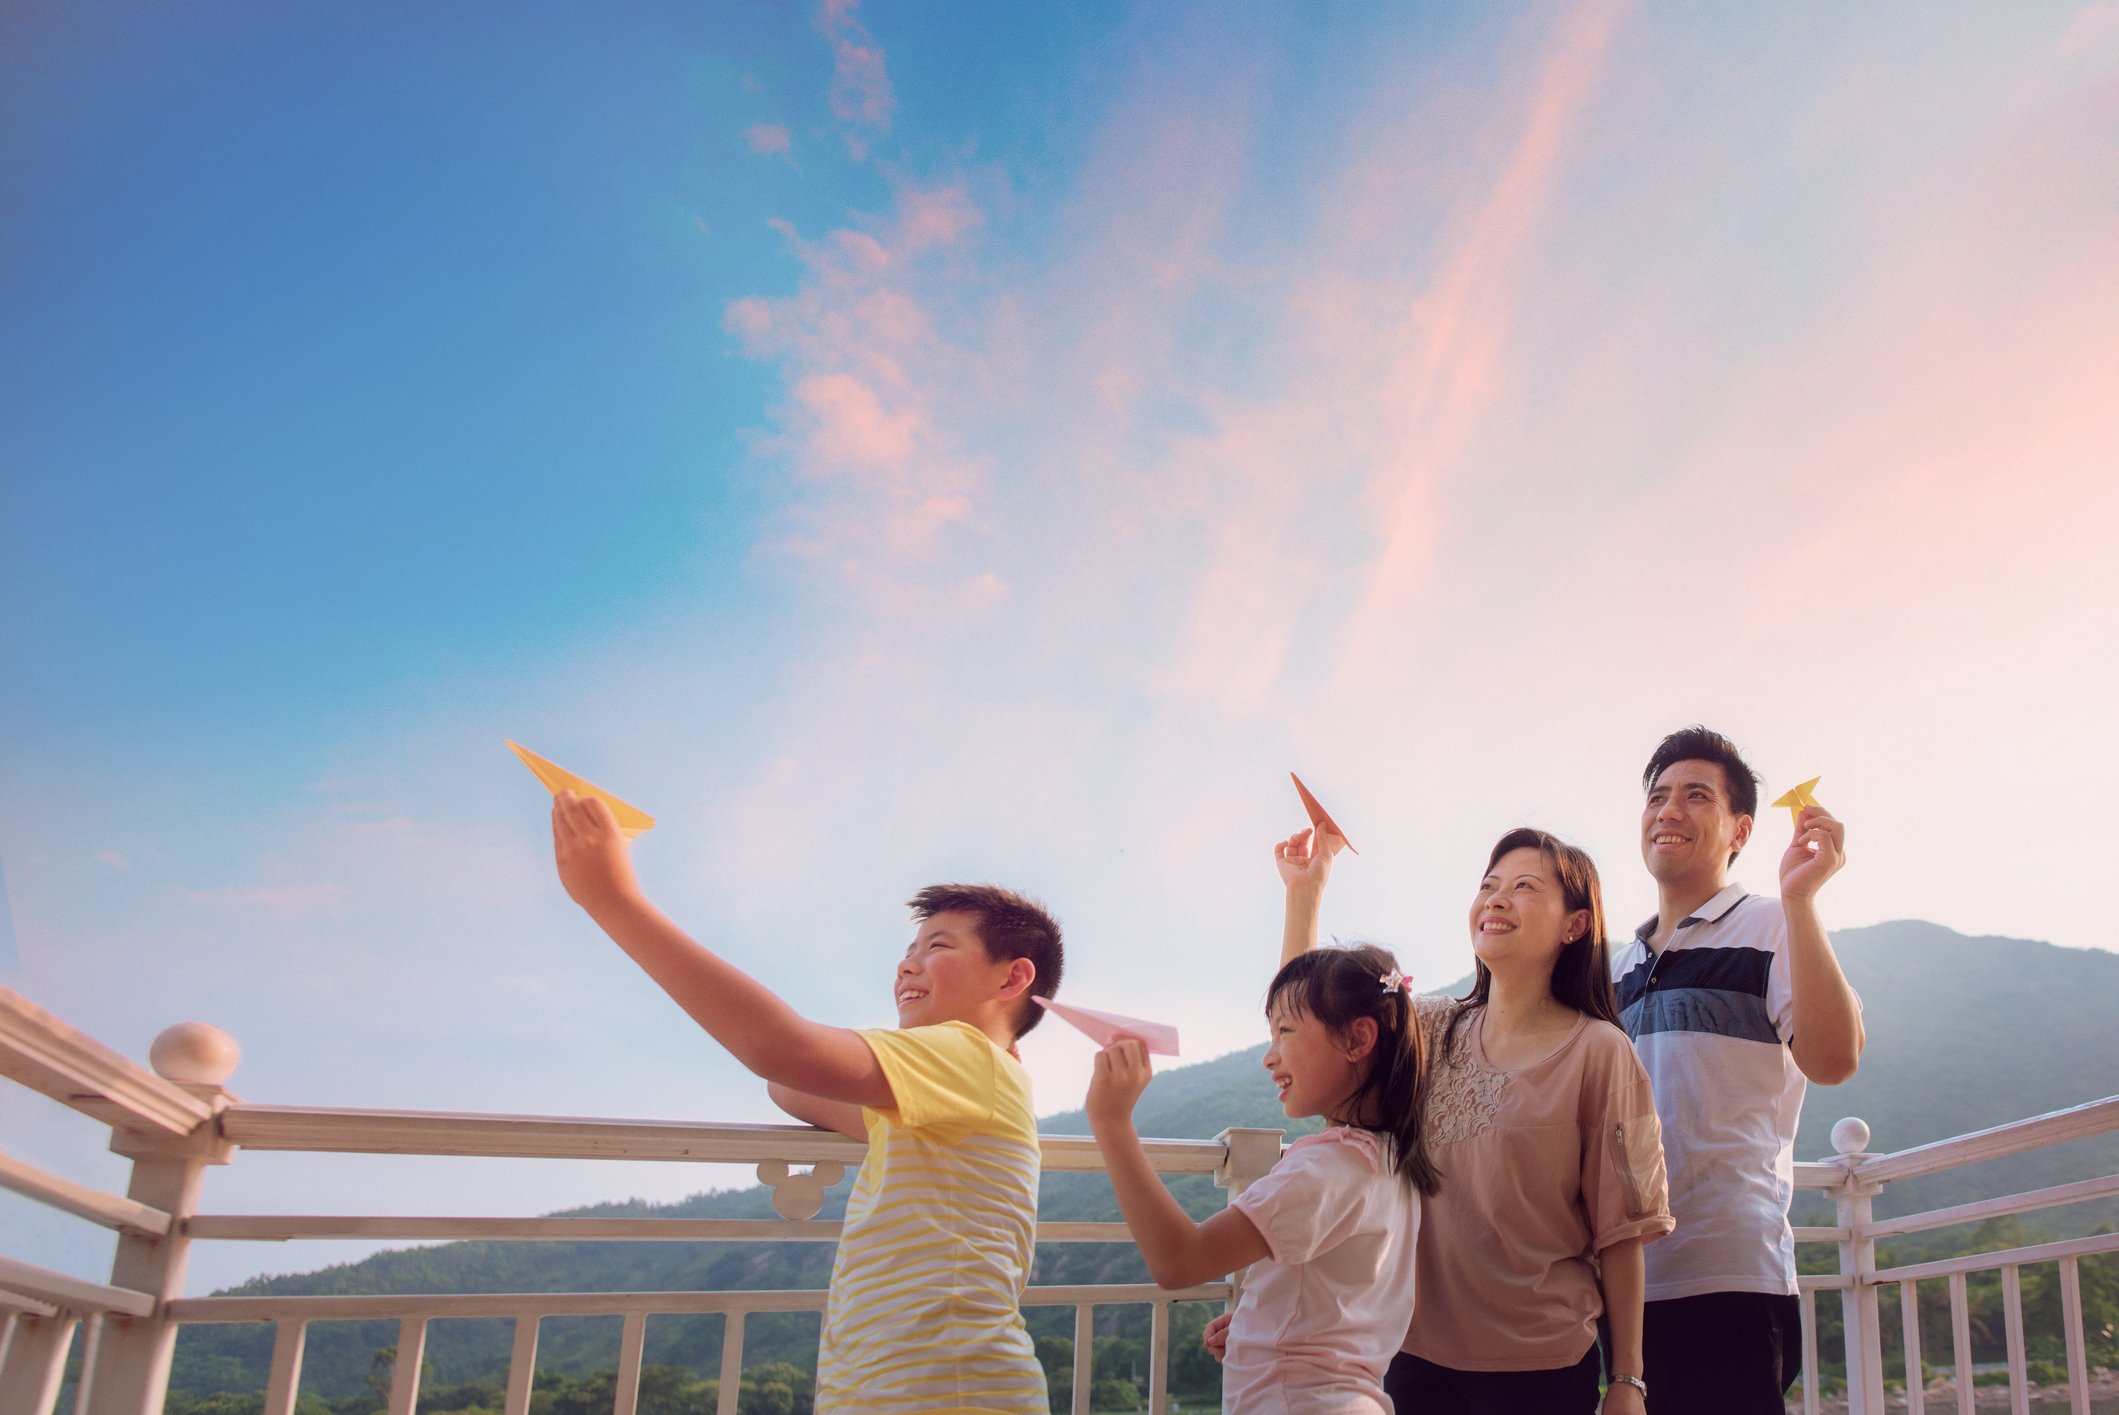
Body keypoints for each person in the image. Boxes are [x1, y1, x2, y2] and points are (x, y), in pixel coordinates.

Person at [547, 790, 1065, 1415]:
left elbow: (779, 1054)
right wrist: (817, 1063)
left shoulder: (968, 1055)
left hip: (944, 1392)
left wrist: (614, 900)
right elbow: (793, 1082)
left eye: (937, 947)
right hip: (900, 1389)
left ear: (1012, 978)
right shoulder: (957, 1089)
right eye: (906, 952)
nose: (907, 966)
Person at [1274, 825, 1672, 1414]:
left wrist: (1627, 1380)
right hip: (1406, 1356)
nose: (1496, 898)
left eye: (1525, 887)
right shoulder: (1430, 1030)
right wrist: (1304, 894)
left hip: (1539, 1368)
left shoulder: (1601, 1053)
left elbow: (1623, 1230)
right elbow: (1313, 1039)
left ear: (1575, 925)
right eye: (1489, 885)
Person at [1618, 726, 1862, 1414]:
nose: (1667, 810)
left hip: (1729, 1276)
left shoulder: (1769, 925)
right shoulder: (1616, 968)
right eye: (1657, 796)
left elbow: (1834, 1057)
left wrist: (1800, 900)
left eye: (1695, 796)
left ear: (1739, 828)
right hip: (1621, 1284)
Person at [1087, 942, 1439, 1414]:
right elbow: (1358, 1298)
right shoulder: (1391, 1159)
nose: (1268, 1057)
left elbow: (1180, 1262)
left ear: (1358, 1040)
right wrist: (1262, 1324)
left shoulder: (1324, 1168)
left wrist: (1112, 1124)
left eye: (1285, 1032)